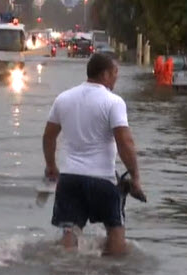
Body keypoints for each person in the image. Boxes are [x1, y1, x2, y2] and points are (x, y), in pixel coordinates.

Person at [42, 53, 146, 256]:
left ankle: (65, 273)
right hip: (102, 180)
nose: (116, 78)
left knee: (69, 231)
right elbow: (125, 142)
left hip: (70, 178)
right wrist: (135, 177)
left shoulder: (63, 98)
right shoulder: (113, 102)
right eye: (115, 73)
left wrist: (51, 166)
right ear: (105, 74)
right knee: (115, 228)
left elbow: (48, 137)